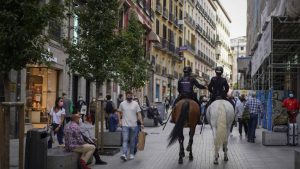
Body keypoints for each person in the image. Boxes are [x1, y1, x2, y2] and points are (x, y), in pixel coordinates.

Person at [118, 91, 144, 161]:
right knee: (125, 140)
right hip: (125, 125)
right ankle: (124, 154)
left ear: (132, 96)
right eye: (128, 95)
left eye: (130, 95)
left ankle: (132, 153)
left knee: (132, 141)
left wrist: (141, 123)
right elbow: (119, 113)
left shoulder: (135, 104)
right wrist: (119, 121)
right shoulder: (122, 104)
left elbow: (139, 114)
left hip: (134, 125)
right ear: (126, 96)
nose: (129, 96)